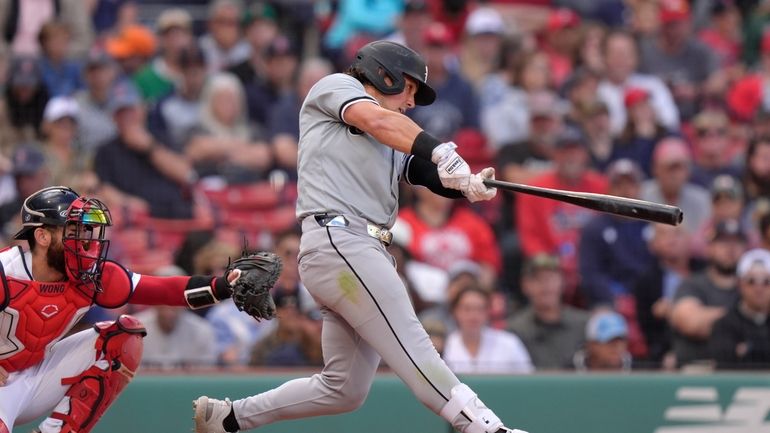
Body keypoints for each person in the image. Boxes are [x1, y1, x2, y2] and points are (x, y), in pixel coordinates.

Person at [194, 40, 527, 433]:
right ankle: (486, 427)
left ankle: (229, 418)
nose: (411, 102)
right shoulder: (336, 87)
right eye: (409, 89)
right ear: (383, 75)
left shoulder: (390, 133)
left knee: (344, 388)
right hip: (341, 240)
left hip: (353, 250)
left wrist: (466, 184)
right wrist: (440, 152)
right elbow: (383, 124)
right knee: (412, 342)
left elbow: (419, 170)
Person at [0, 185, 268, 433]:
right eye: (72, 231)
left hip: (38, 372)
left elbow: (163, 290)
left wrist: (223, 286)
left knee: (122, 338)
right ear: (42, 236)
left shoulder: (90, 275)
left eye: (84, 230)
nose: (84, 240)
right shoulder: (5, 271)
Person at [507, 254, 589, 370]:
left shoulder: (583, 324)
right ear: (525, 285)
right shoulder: (514, 330)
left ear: (562, 282)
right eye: (538, 279)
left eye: (551, 278)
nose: (546, 285)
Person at [443, 286, 533, 374]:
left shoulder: (510, 343)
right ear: (455, 311)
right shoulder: (445, 345)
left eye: (480, 309)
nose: (473, 316)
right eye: (467, 309)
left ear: (488, 312)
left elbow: (528, 380)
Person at [710, 248, 770, 369]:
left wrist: (748, 349)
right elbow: (725, 361)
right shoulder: (724, 325)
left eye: (766, 282)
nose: (759, 289)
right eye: (751, 281)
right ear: (740, 284)